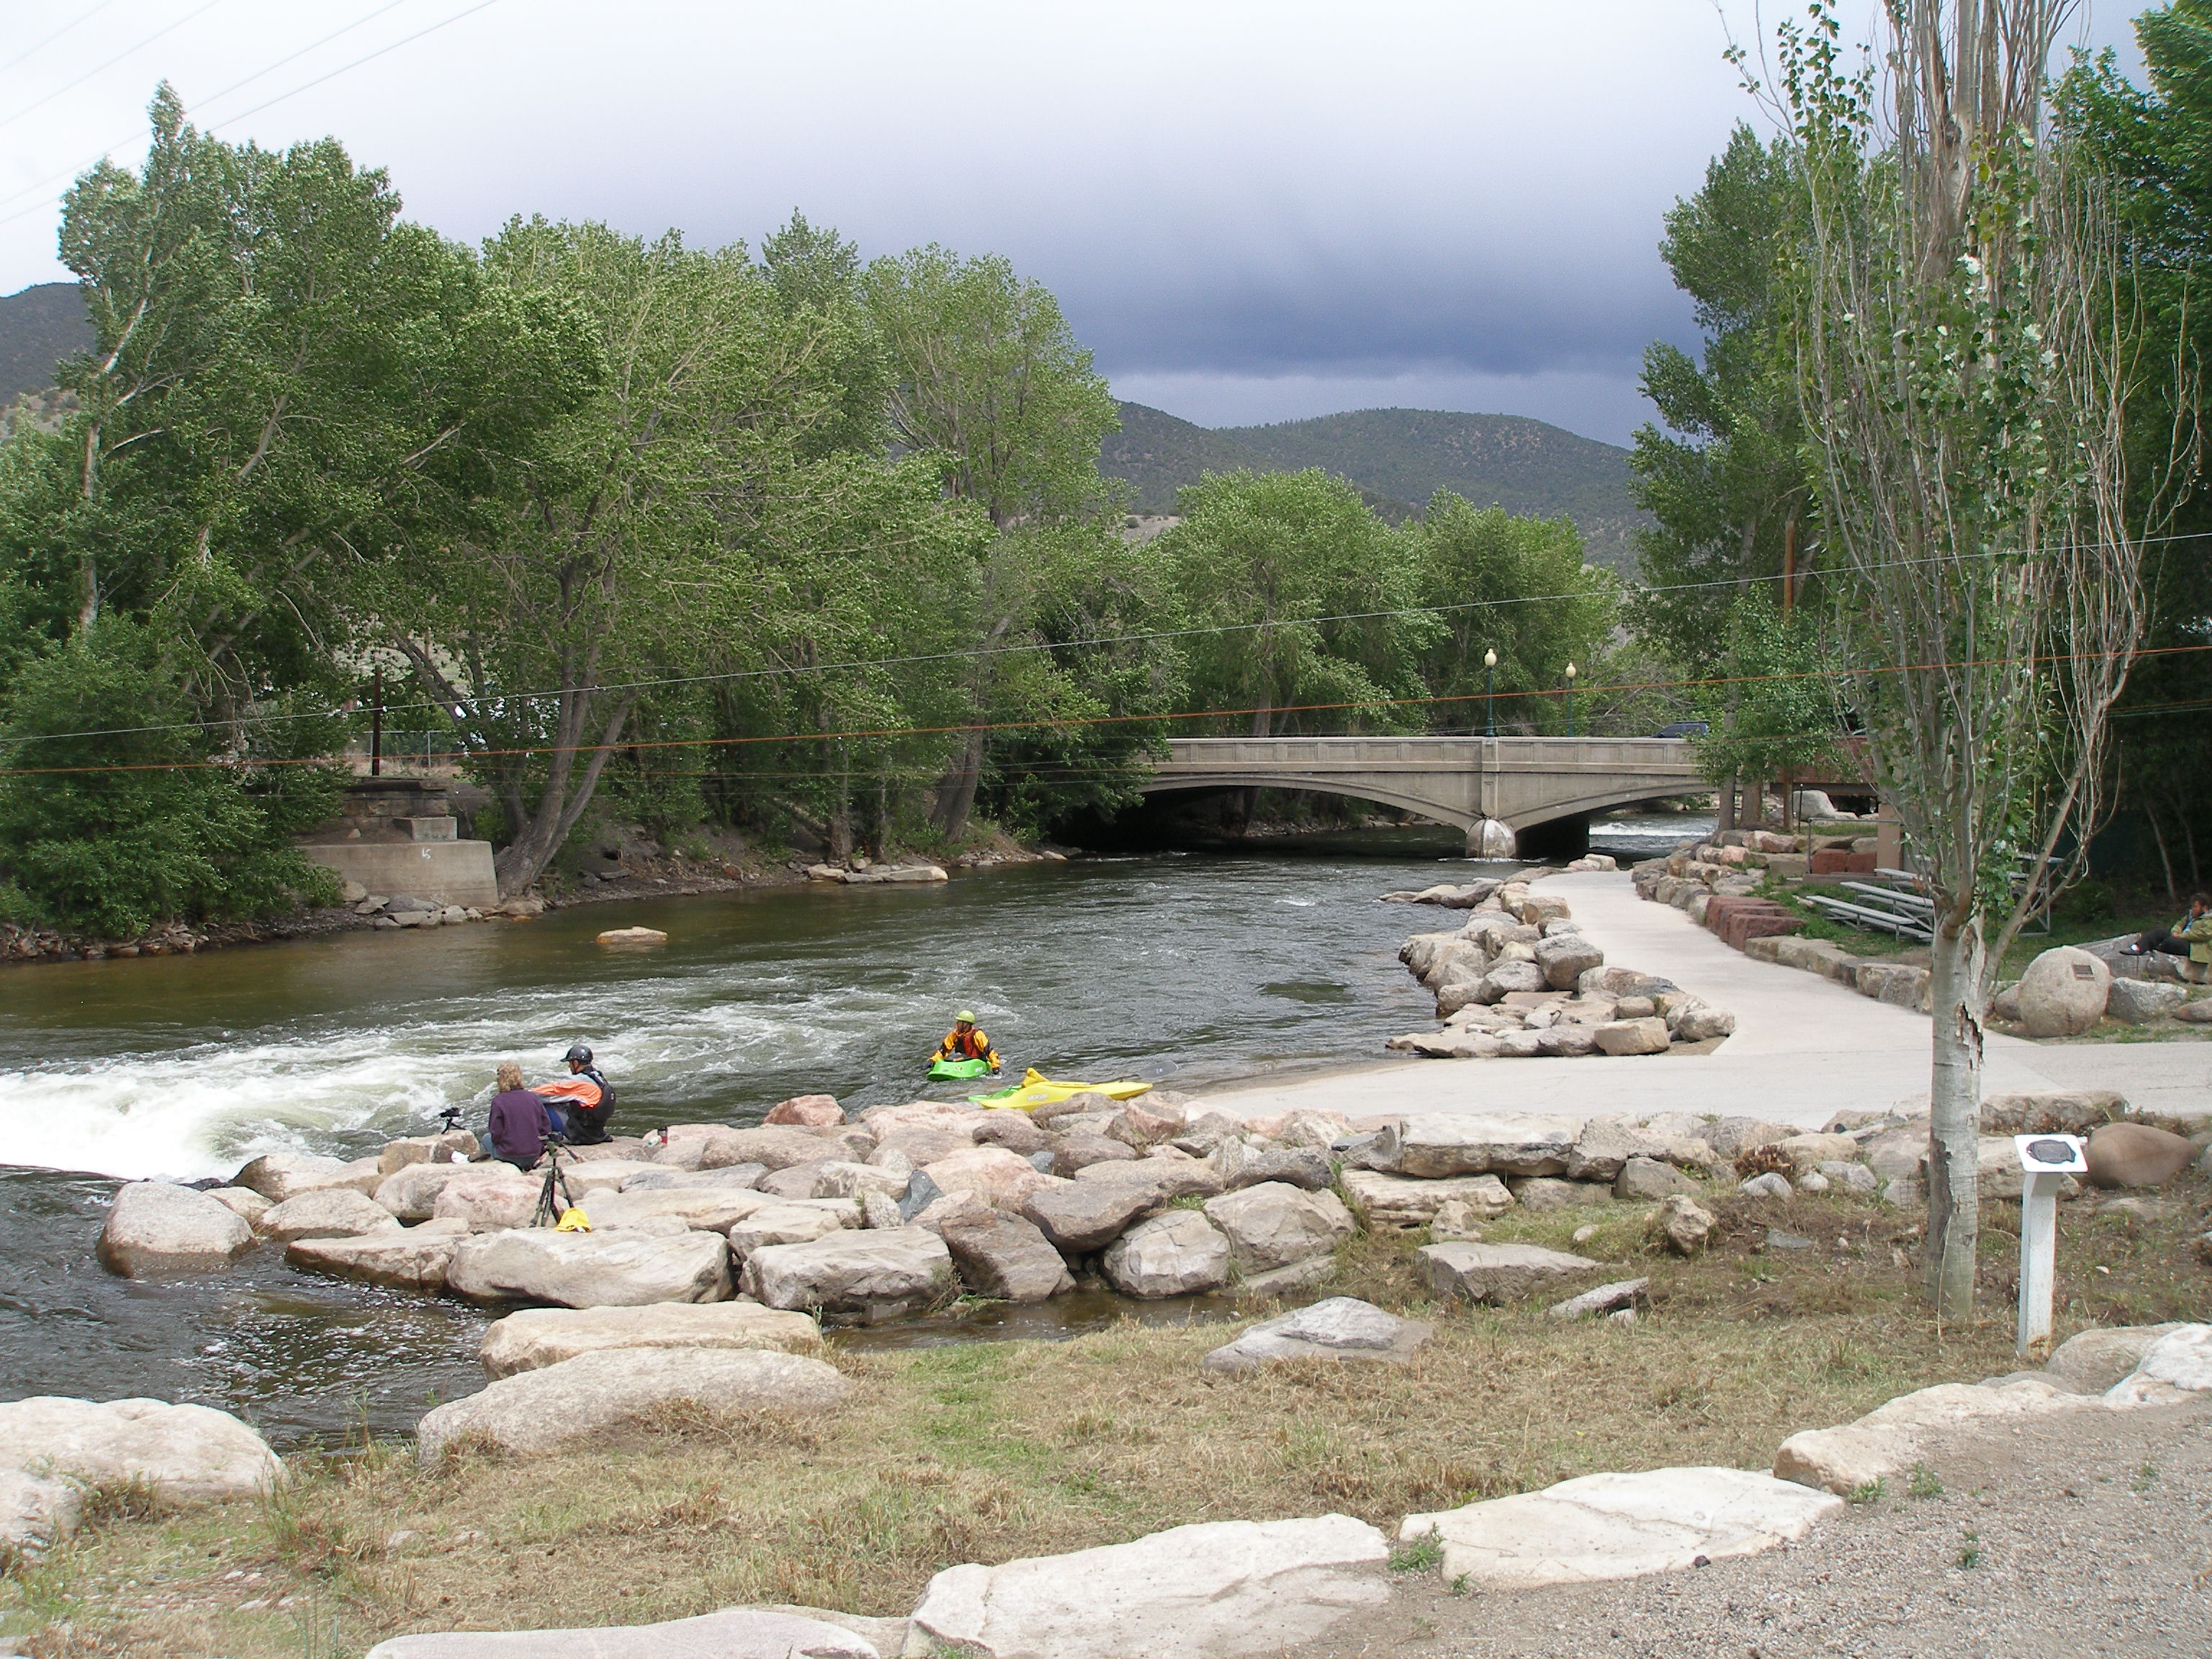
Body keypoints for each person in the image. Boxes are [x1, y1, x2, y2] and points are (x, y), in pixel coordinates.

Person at [533, 1043, 614, 1143]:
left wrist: (523, 1094)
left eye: (570, 1063)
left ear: (576, 1063)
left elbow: (542, 1093)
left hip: (581, 1135)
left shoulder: (578, 1081)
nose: (569, 1066)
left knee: (540, 1103)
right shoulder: (598, 1077)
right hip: (597, 1133)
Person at [483, 1061, 551, 1169]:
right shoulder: (533, 1097)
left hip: (509, 1155)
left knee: (486, 1138)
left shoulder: (498, 1101)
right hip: (534, 1154)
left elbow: (496, 1133)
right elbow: (545, 1127)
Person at [2125, 894, 2211, 961]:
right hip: (2179, 938)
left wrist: (2181, 936)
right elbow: (2179, 925)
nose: (2193, 909)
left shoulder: (2209, 919)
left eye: (2195, 907)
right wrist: (2175, 932)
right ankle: (2137, 948)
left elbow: (2203, 935)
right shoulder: (2190, 916)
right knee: (2159, 932)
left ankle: (2156, 948)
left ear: (2204, 908)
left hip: (2192, 946)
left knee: (2171, 941)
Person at [933, 1010, 1001, 1074]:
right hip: (962, 1060)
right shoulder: (955, 1034)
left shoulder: (977, 1034)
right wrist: (932, 1060)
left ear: (966, 1024)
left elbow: (989, 1051)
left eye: (959, 1022)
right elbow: (944, 1049)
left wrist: (995, 1066)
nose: (957, 1024)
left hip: (977, 1061)